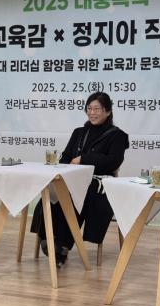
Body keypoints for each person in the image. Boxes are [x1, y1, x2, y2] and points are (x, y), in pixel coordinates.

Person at [31, 92, 129, 266]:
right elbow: (65, 158)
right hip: (72, 180)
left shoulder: (118, 136)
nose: (92, 112)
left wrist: (83, 159)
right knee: (52, 193)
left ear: (107, 111)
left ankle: (62, 245)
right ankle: (48, 237)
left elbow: (113, 161)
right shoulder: (79, 132)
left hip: (99, 185)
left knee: (78, 195)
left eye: (97, 109)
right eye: (89, 108)